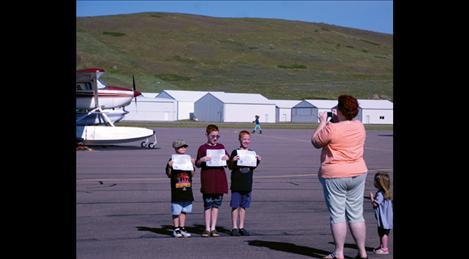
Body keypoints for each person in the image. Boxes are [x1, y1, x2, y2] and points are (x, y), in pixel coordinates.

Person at [311, 95, 369, 259]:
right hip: (357, 171)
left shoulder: (332, 128)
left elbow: (315, 141)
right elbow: (346, 129)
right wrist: (338, 119)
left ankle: (339, 252)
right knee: (356, 214)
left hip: (335, 173)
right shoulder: (360, 126)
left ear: (341, 110)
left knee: (337, 215)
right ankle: (362, 251)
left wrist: (322, 121)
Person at [195, 124, 229, 237]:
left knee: (216, 205)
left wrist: (227, 158)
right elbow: (197, 164)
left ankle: (213, 227)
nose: (215, 138)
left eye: (217, 136)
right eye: (212, 136)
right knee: (208, 205)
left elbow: (228, 161)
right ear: (207, 135)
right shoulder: (202, 148)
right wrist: (202, 159)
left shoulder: (221, 147)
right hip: (208, 180)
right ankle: (207, 228)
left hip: (219, 179)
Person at [228, 130, 261, 236]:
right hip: (237, 183)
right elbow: (230, 167)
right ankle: (234, 227)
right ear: (240, 140)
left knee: (243, 207)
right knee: (235, 206)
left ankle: (241, 226)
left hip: (247, 184)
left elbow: (252, 167)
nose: (246, 141)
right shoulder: (235, 152)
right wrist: (232, 160)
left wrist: (258, 160)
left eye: (248, 139)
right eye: (244, 139)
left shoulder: (252, 152)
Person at [165, 139, 195, 238]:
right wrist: (169, 166)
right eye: (180, 147)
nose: (183, 148)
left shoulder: (188, 159)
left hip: (187, 189)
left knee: (184, 210)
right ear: (176, 148)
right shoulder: (172, 160)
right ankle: (176, 228)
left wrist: (192, 164)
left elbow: (192, 174)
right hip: (177, 190)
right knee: (176, 210)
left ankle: (182, 227)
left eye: (184, 147)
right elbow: (169, 175)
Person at [369, 172, 393, 255]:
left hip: (383, 219)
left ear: (379, 183)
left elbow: (375, 204)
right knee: (382, 232)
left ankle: (385, 249)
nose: (374, 182)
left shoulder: (380, 194)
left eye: (375, 181)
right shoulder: (387, 192)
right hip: (387, 218)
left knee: (383, 233)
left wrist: (372, 198)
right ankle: (381, 246)